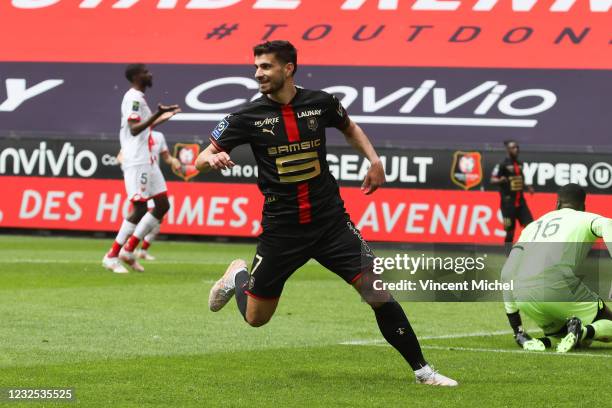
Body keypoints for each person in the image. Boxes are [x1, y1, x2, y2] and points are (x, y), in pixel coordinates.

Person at [195, 40, 457, 386]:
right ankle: (237, 276)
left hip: (331, 224)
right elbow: (199, 159)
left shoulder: (321, 103)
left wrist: (374, 161)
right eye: (256, 66)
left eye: (266, 66)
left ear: (288, 69)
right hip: (283, 230)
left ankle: (424, 372)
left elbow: (350, 128)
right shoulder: (245, 117)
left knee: (377, 292)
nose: (258, 73)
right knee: (257, 319)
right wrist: (210, 158)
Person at [502, 184, 612, 353]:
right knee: (605, 324)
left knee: (566, 338)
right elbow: (608, 224)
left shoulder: (532, 226)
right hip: (557, 288)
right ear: (583, 207)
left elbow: (506, 273)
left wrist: (516, 327)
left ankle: (530, 339)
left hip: (523, 296)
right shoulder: (586, 218)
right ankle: (580, 330)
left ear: (557, 203)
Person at [102, 64, 180, 273]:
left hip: (148, 160)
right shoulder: (134, 98)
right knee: (139, 208)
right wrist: (158, 114)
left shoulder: (139, 98)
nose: (150, 74)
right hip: (137, 160)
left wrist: (164, 115)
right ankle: (112, 256)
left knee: (162, 205)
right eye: (146, 72)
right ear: (137, 76)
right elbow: (134, 128)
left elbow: (145, 127)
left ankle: (129, 251)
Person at [115, 130, 180, 261]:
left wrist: (173, 161)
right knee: (142, 211)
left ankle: (136, 249)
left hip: (153, 178)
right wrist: (128, 167)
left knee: (159, 213)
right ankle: (126, 249)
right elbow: (120, 156)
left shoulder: (159, 136)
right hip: (140, 178)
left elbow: (166, 157)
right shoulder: (137, 135)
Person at [490, 140, 534, 254]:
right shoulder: (502, 164)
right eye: (514, 148)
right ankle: (508, 253)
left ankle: (529, 251)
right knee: (510, 232)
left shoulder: (520, 164)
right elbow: (492, 179)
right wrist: (500, 180)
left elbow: (520, 178)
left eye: (517, 147)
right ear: (508, 150)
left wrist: (527, 187)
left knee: (531, 227)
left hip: (521, 203)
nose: (517, 149)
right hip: (508, 204)